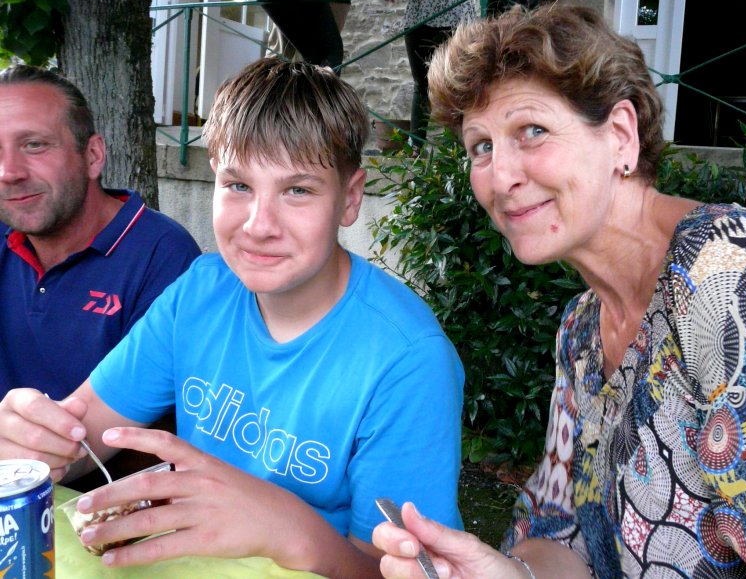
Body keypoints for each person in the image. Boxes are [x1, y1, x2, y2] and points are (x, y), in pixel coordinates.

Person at [373, 4, 746, 578]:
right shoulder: (581, 332)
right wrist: (504, 574)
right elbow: (563, 533)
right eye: (481, 146)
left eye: (532, 131)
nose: (501, 177)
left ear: (621, 135)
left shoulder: (738, 277)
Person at [0, 59, 464, 576]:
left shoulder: (408, 359)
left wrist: (287, 527)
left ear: (350, 198)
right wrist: (31, 440)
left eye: (298, 190)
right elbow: (81, 434)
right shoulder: (201, 290)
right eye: (238, 185)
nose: (259, 225)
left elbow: (403, 572)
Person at [0, 64, 201, 400]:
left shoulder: (163, 256)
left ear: (93, 156)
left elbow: (153, 414)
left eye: (34, 144)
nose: (8, 172)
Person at [387, 0, 490, 147]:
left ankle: (458, 148)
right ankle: (416, 146)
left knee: (455, 83)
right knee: (421, 84)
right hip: (419, 21)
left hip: (455, 22)